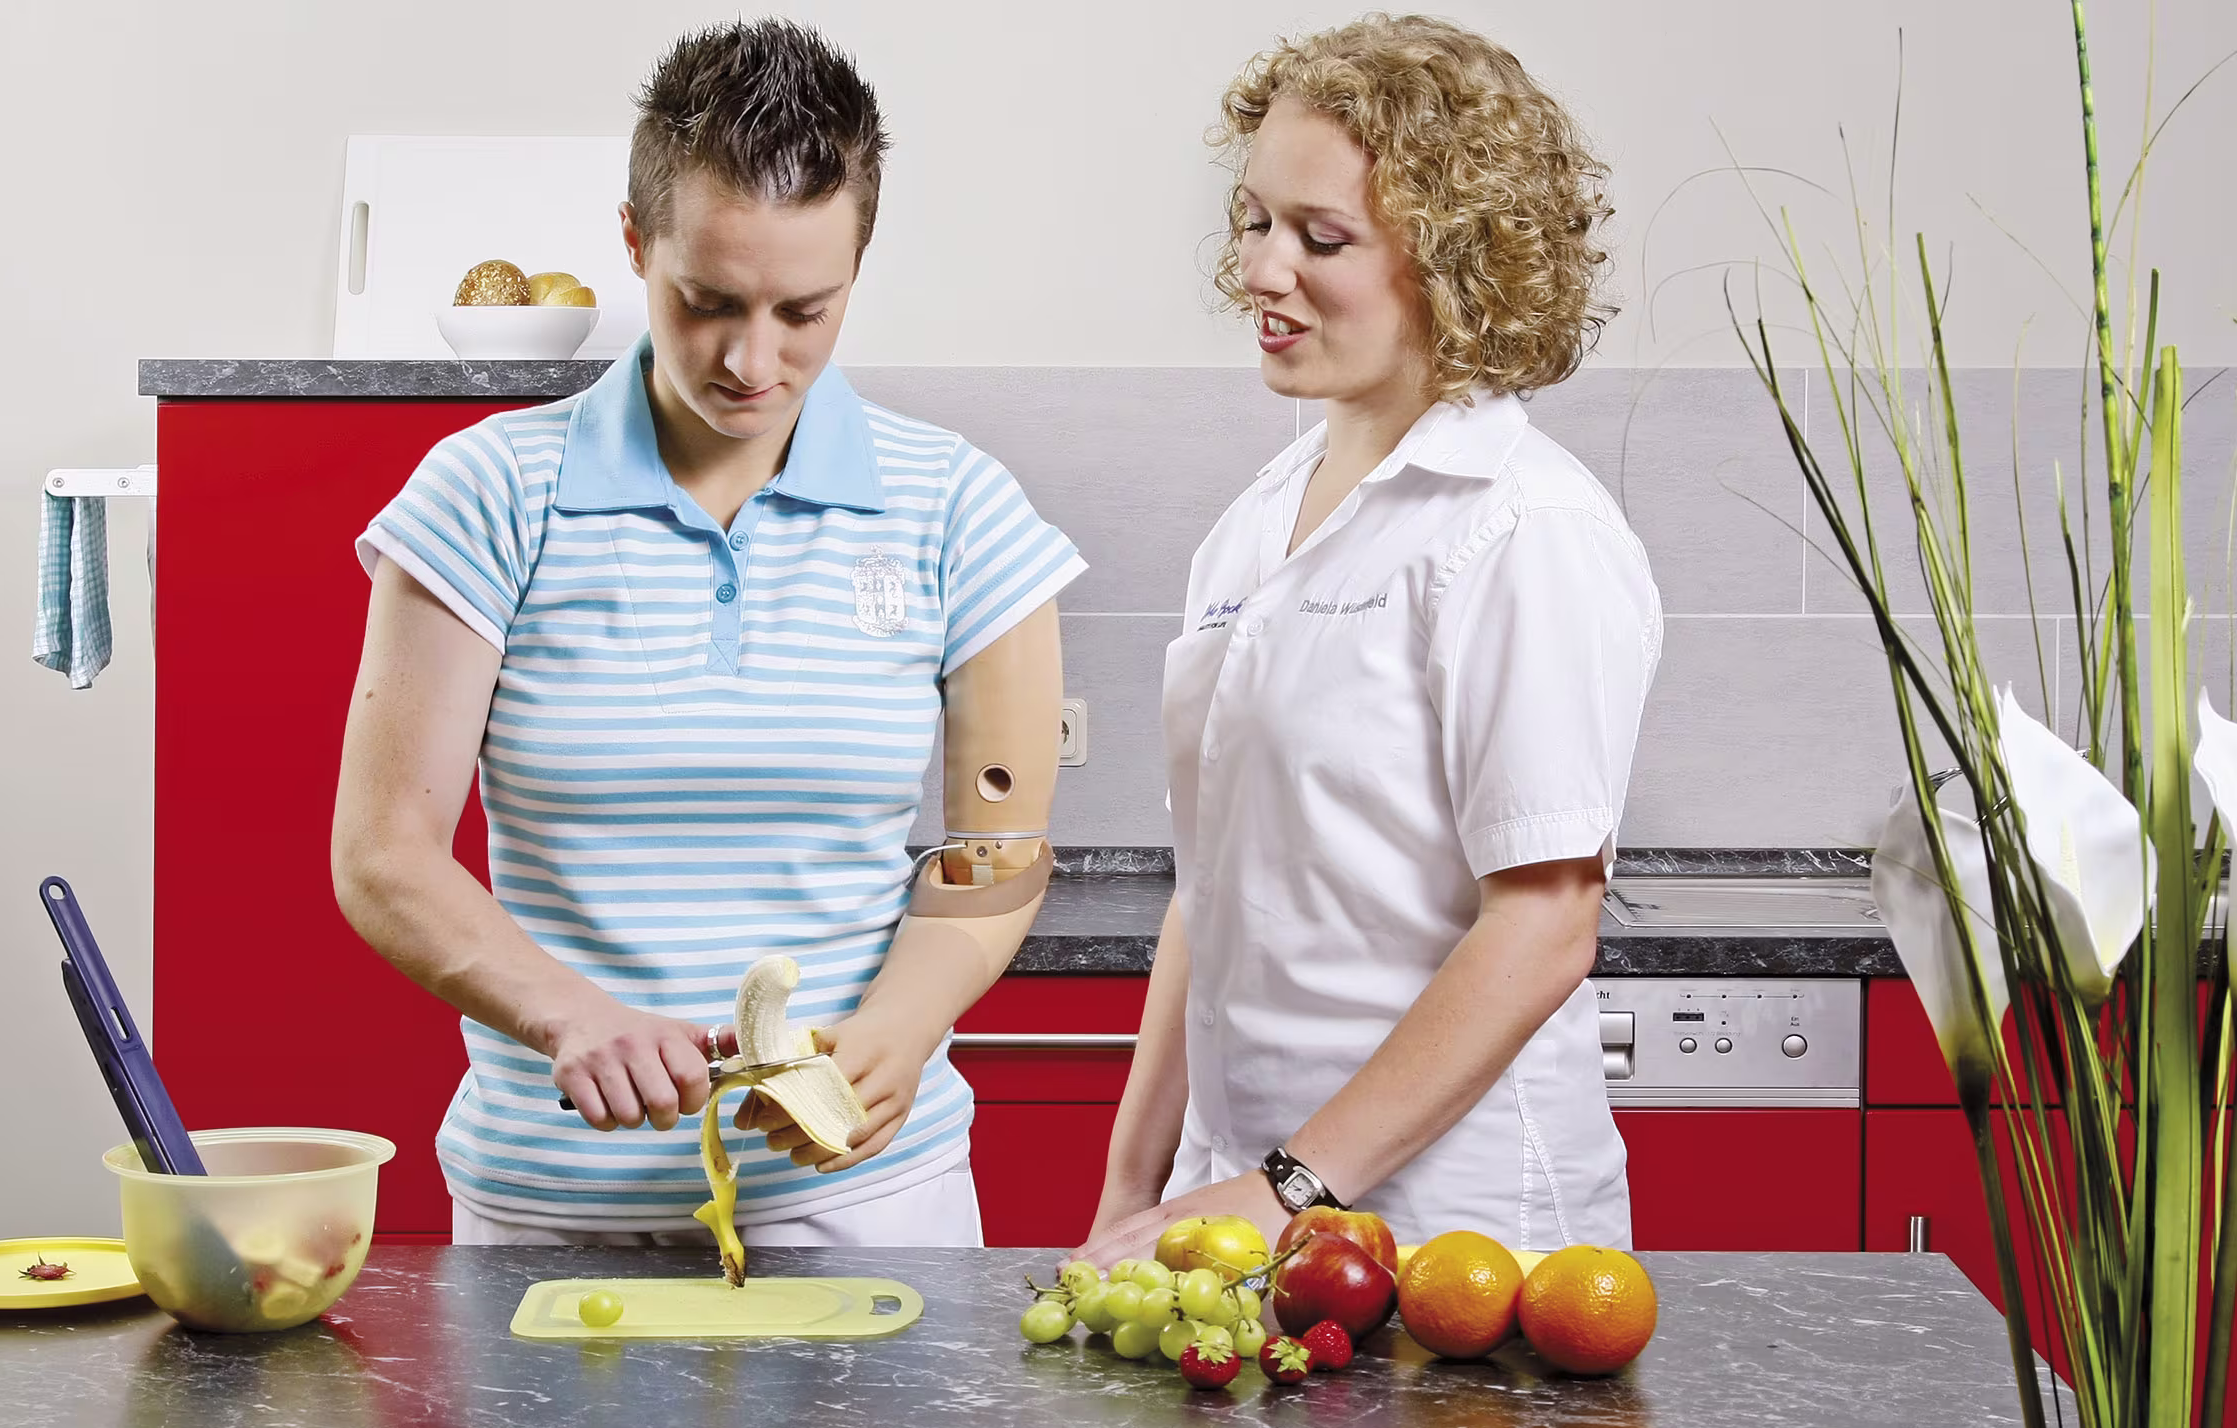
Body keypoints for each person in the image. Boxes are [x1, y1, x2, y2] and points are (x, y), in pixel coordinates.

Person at [331, 19, 1085, 1248]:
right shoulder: (484, 494)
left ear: (858, 262)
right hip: (549, 1206)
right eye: (707, 302)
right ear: (634, 243)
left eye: (806, 309)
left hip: (862, 1196)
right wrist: (567, 1013)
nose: (753, 359)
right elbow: (383, 850)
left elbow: (997, 848)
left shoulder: (957, 503)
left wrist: (902, 1029)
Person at [1076, 13, 1659, 1267]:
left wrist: (1284, 1187)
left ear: (1455, 263)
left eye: (1320, 239)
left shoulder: (1523, 528)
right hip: (1237, 1217)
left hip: (1456, 1235)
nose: (1260, 271)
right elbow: (1210, 886)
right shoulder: (1252, 527)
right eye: (1253, 221)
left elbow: (1546, 922)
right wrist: (1133, 1192)